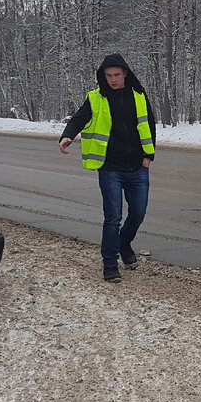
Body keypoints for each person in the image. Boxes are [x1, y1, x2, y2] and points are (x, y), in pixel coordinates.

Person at [58, 54, 155, 282]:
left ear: (125, 74)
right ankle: (110, 264)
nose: (112, 80)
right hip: (110, 167)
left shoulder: (138, 95)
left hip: (137, 166)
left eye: (116, 75)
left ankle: (124, 243)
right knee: (112, 218)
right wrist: (67, 136)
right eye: (108, 76)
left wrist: (149, 154)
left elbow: (149, 123)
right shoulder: (95, 98)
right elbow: (79, 119)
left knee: (138, 212)